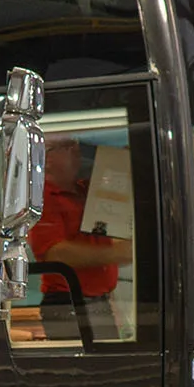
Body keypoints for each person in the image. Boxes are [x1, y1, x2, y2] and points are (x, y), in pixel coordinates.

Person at [25, 137, 132, 343]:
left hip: (98, 302)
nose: (76, 150)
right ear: (47, 158)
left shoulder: (85, 191)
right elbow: (55, 254)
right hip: (69, 304)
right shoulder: (42, 199)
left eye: (76, 145)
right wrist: (115, 253)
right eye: (66, 147)